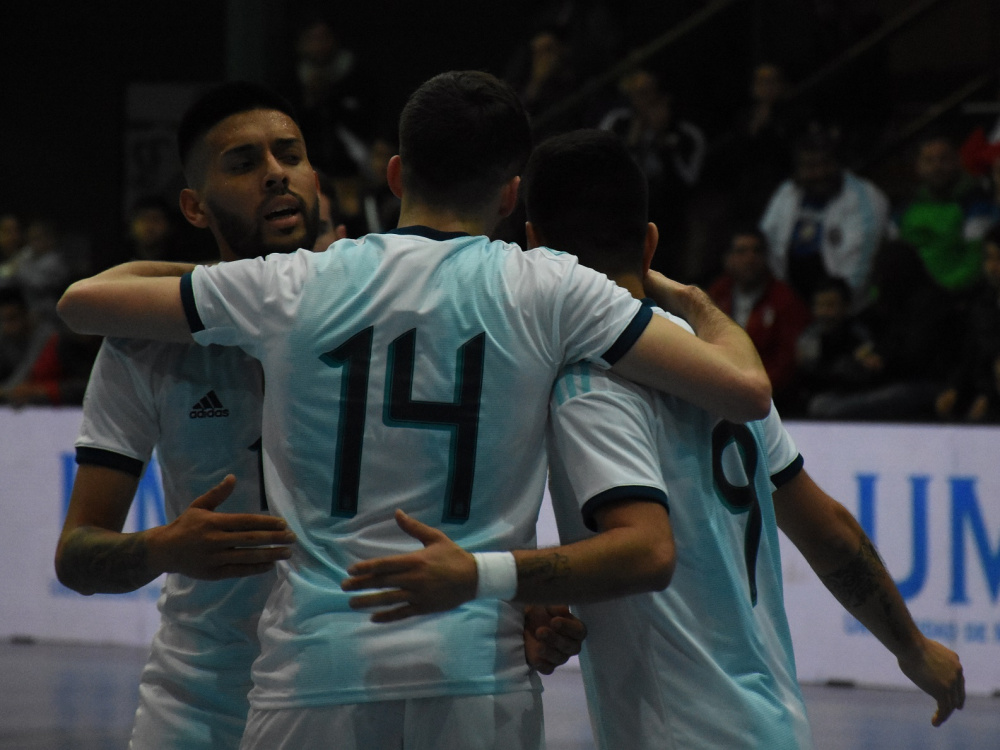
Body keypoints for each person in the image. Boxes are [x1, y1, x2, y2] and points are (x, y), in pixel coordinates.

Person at [58, 71, 770, 750]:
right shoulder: (545, 286)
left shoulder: (292, 287)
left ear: (391, 177)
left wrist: (525, 600)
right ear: (509, 197)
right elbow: (743, 388)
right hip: (397, 682)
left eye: (292, 155)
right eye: (245, 163)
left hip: (314, 673)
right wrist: (695, 301)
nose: (276, 174)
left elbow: (79, 300)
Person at [343, 130, 966, 748]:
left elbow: (645, 553)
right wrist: (912, 648)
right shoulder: (718, 362)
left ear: (534, 247)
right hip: (774, 724)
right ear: (649, 243)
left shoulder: (590, 383)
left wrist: (481, 576)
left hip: (687, 734)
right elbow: (825, 528)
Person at [760, 128, 890, 306]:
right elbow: (767, 242)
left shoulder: (865, 198)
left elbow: (860, 271)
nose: (819, 173)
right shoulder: (787, 192)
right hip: (793, 303)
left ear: (838, 163)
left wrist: (831, 310)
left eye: (825, 163)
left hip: (846, 308)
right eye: (810, 166)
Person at [707, 227, 811, 408]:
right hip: (718, 391)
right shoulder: (716, 294)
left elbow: (786, 362)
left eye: (757, 251)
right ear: (727, 259)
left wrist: (749, 389)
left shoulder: (785, 301)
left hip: (768, 399)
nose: (750, 259)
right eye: (741, 251)